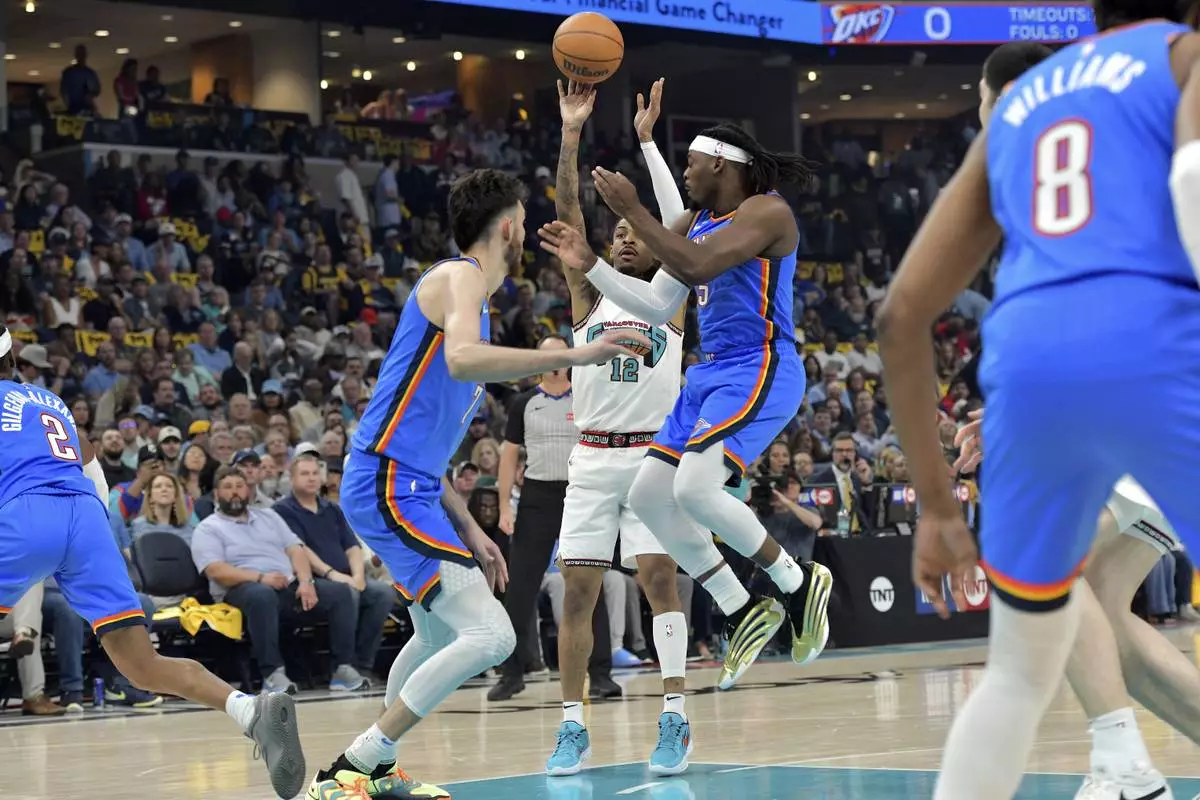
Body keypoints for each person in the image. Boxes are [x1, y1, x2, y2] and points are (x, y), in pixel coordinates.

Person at [875, 4, 1200, 799]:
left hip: (1029, 369)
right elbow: (1194, 185)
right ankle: (1123, 765)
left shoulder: (1020, 103)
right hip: (1156, 343)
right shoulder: (1184, 57)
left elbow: (899, 315)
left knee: (1018, 673)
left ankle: (1121, 764)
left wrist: (938, 509)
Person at [307, 169, 640, 799]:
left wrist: (468, 527)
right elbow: (462, 360)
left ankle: (374, 769)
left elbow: (425, 442)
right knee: (493, 636)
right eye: (524, 222)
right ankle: (352, 766)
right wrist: (573, 356)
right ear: (509, 226)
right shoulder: (459, 277)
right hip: (388, 483)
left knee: (436, 634)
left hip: (409, 484)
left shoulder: (471, 299)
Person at [540, 120, 832, 690]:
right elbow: (654, 305)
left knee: (695, 488)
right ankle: (740, 605)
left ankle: (797, 582)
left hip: (758, 363)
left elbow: (698, 264)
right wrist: (591, 262)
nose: (686, 175)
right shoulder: (697, 222)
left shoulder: (767, 212)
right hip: (710, 374)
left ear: (720, 163)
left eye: (691, 165)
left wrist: (634, 206)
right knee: (650, 495)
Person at [0, 329, 306, 798]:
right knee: (142, 664)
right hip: (87, 522)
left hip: (26, 513)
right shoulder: (48, 401)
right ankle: (249, 709)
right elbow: (88, 460)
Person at [542, 78, 695, 778]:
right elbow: (567, 210)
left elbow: (679, 218)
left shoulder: (671, 298)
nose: (626, 238)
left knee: (659, 579)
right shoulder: (588, 292)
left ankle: (675, 715)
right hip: (593, 458)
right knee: (578, 593)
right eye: (618, 234)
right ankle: (572, 727)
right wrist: (572, 131)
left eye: (636, 234)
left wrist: (646, 141)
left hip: (653, 460)